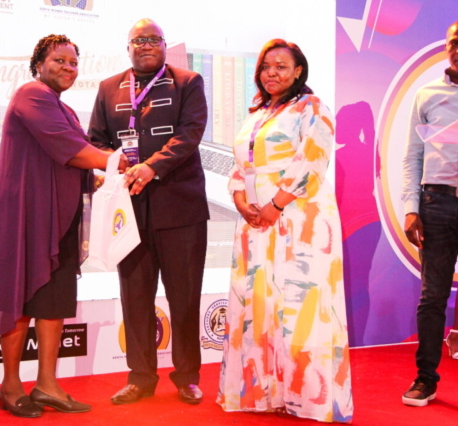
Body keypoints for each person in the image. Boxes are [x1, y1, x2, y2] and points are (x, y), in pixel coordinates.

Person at [0, 34, 125, 418]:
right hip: (25, 215)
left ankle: (47, 385)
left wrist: (99, 178)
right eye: (59, 60)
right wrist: (117, 162)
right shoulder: (32, 94)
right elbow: (72, 150)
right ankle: (10, 387)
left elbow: (73, 161)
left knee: (53, 302)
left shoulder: (66, 109)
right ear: (39, 64)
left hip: (59, 217)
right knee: (19, 298)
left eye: (74, 63)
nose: (68, 68)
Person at [217, 39, 353, 423]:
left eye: (280, 66)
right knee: (260, 304)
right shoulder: (257, 113)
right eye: (265, 67)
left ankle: (309, 398)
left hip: (299, 220)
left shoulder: (312, 108)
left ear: (298, 71)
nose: (271, 73)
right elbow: (241, 165)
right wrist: (240, 200)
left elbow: (312, 160)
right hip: (256, 223)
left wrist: (276, 205)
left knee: (300, 305)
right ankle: (264, 394)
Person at [88, 18, 209, 405]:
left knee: (184, 298)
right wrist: (113, 164)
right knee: (135, 298)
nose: (145, 45)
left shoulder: (188, 82)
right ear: (128, 48)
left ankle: (187, 376)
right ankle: (140, 377)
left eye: (153, 39)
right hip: (128, 213)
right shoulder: (108, 88)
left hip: (181, 210)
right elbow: (95, 141)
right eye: (138, 40)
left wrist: (151, 166)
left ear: (164, 45)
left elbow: (189, 134)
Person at [401, 20, 458, 407]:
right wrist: (410, 208)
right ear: (447, 46)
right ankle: (426, 379)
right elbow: (412, 157)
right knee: (432, 296)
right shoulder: (427, 95)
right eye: (455, 41)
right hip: (436, 204)